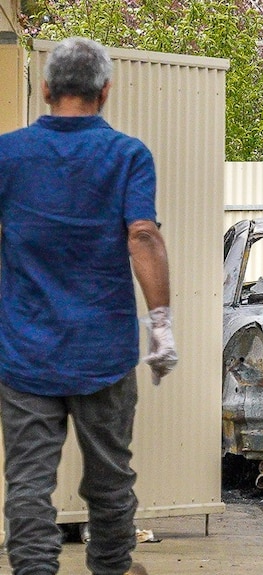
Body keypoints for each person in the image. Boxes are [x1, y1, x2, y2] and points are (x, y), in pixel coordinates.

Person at [0, 37, 178, 575]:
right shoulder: (127, 154)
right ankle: (112, 568)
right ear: (105, 91)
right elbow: (143, 234)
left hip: (24, 351)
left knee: (29, 480)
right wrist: (162, 325)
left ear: (48, 89)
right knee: (109, 476)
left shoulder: (7, 154)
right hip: (103, 350)